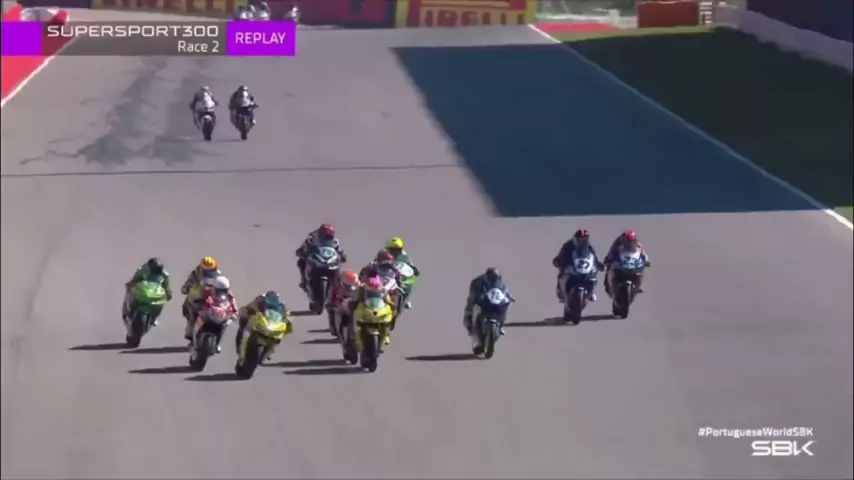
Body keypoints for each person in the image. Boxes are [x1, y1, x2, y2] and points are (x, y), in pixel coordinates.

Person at [186, 275, 237, 353]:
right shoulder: (206, 291)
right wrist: (196, 301)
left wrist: (235, 312)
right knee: (194, 316)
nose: (221, 292)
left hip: (219, 315)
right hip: (206, 312)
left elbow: (233, 303)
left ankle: (217, 344)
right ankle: (192, 337)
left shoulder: (228, 295)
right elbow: (195, 296)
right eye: (219, 290)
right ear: (214, 287)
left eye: (224, 290)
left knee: (226, 324)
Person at [553, 229, 603, 302]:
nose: (582, 241)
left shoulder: (589, 247)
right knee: (562, 273)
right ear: (576, 238)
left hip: (584, 268)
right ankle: (560, 289)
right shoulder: (568, 245)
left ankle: (591, 292)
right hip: (571, 266)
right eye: (580, 239)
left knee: (593, 275)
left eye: (584, 239)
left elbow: (594, 258)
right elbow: (561, 255)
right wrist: (558, 261)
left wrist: (598, 265)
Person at [234, 290, 287, 358]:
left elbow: (284, 314)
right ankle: (240, 348)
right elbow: (249, 307)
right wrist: (248, 311)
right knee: (245, 329)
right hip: (258, 319)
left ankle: (270, 349)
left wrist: (284, 319)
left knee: (280, 334)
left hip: (269, 322)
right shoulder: (260, 299)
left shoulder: (281, 305)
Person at [463, 268, 515, 336]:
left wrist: (509, 296)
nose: (494, 279)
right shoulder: (479, 281)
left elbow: (504, 290)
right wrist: (477, 294)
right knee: (471, 306)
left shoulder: (499, 283)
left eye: (496, 277)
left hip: (493, 299)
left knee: (503, 307)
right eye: (493, 277)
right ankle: (470, 325)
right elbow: (474, 289)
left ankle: (500, 325)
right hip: (481, 298)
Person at [295, 223, 347, 291]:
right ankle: (304, 280)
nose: (326, 238)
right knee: (301, 262)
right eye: (325, 235)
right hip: (316, 259)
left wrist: (342, 255)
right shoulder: (311, 239)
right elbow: (303, 247)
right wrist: (302, 252)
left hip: (329, 260)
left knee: (338, 266)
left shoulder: (335, 242)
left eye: (329, 236)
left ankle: (339, 286)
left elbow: (340, 251)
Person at [123, 257, 173, 326]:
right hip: (143, 288)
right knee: (131, 290)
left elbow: (166, 286)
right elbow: (135, 279)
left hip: (156, 291)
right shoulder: (143, 269)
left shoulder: (164, 274)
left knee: (161, 300)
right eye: (153, 268)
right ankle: (128, 308)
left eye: (157, 268)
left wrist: (168, 293)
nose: (155, 270)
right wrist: (132, 284)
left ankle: (154, 317)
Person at [349, 275, 395, 346]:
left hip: (378, 311)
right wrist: (354, 301)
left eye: (376, 288)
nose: (374, 289)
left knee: (391, 312)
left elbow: (388, 300)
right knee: (353, 313)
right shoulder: (361, 289)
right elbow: (354, 297)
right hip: (365, 310)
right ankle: (353, 333)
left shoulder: (383, 291)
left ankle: (387, 333)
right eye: (371, 289)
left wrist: (391, 303)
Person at [603, 230, 650, 297]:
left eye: (632, 241)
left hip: (633, 267)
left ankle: (638, 287)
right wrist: (608, 259)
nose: (630, 243)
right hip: (621, 268)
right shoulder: (617, 245)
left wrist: (646, 261)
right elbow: (611, 252)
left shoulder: (638, 245)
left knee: (640, 274)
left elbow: (643, 254)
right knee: (610, 271)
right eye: (629, 241)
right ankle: (611, 288)